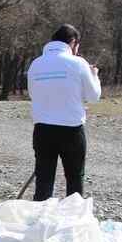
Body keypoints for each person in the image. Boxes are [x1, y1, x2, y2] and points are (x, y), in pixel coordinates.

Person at [27, 24, 101, 201]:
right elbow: (93, 96)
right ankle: (73, 221)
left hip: (42, 129)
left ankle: (39, 222)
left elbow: (32, 94)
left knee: (43, 182)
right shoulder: (78, 63)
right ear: (73, 42)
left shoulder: (36, 63)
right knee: (74, 180)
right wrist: (94, 75)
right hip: (71, 129)